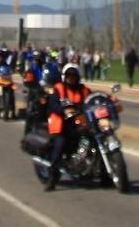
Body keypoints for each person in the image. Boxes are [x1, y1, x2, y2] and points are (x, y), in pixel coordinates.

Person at [41, 62, 91, 192]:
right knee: (60, 144)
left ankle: (104, 175)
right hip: (62, 125)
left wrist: (105, 101)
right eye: (69, 76)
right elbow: (53, 105)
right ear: (64, 76)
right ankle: (52, 177)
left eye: (74, 76)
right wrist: (63, 110)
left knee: (94, 138)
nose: (71, 78)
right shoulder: (59, 89)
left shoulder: (83, 90)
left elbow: (93, 100)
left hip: (79, 123)